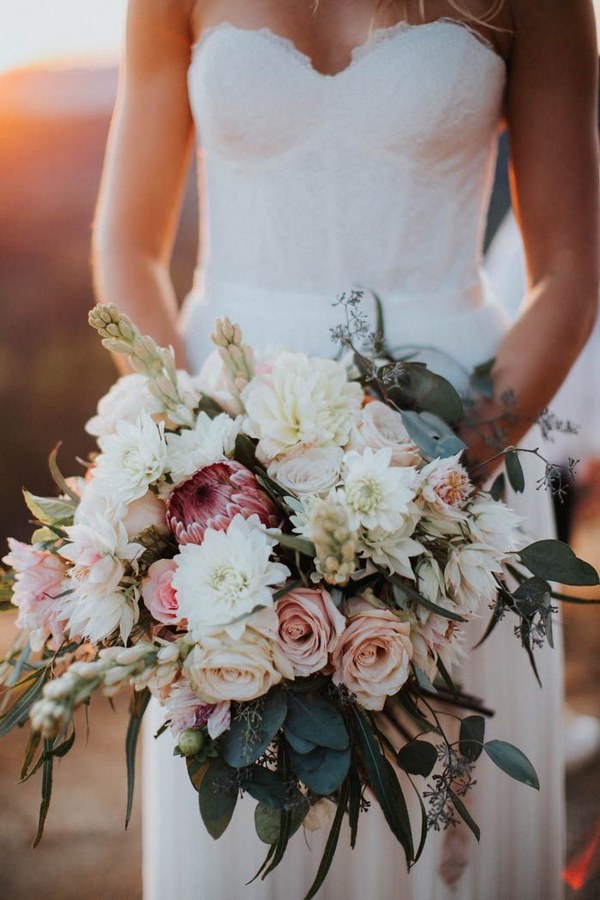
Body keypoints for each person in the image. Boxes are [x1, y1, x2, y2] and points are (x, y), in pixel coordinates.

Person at [91, 1, 599, 898]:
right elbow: (129, 245)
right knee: (249, 824)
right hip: (221, 472)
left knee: (442, 818)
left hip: (456, 455)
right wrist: (184, 458)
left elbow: (570, 272)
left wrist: (437, 489)